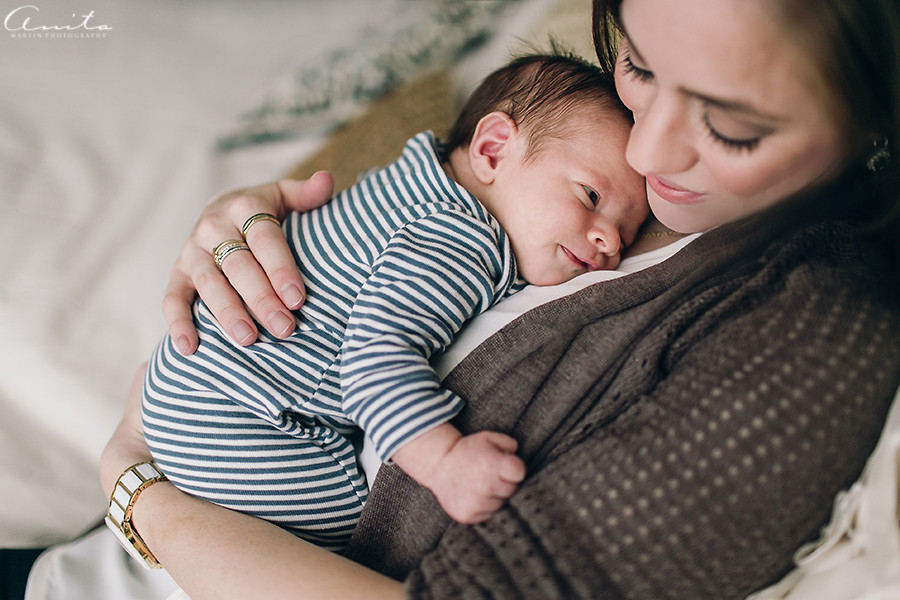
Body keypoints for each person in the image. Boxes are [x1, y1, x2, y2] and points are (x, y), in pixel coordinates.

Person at [100, 0, 900, 597]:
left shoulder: (809, 335)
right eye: (641, 65)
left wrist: (133, 484)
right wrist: (245, 222)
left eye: (730, 126)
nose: (647, 149)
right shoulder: (546, 157)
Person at [141, 52, 649, 550]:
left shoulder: (411, 183)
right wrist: (444, 462)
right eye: (590, 197)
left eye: (626, 233)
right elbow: (373, 362)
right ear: (493, 150)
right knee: (364, 539)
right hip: (235, 419)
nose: (609, 240)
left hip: (188, 388)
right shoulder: (459, 236)